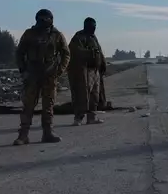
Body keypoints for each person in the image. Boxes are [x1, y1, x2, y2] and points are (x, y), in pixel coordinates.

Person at [13, 9, 70, 145]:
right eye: (41, 19)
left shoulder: (57, 35)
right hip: (32, 74)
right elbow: (20, 52)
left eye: (46, 19)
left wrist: (59, 70)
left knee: (48, 105)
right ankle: (23, 135)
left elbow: (66, 54)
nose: (43, 21)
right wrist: (23, 70)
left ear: (51, 19)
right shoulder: (29, 34)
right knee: (28, 105)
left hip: (49, 74)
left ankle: (48, 133)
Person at [68, 17, 106, 126]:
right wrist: (90, 53)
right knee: (82, 94)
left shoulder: (93, 38)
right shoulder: (79, 37)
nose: (93, 28)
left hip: (95, 71)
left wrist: (102, 63)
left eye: (94, 26)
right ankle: (78, 117)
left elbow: (99, 51)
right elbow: (74, 51)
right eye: (91, 26)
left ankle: (92, 117)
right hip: (84, 71)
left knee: (95, 95)